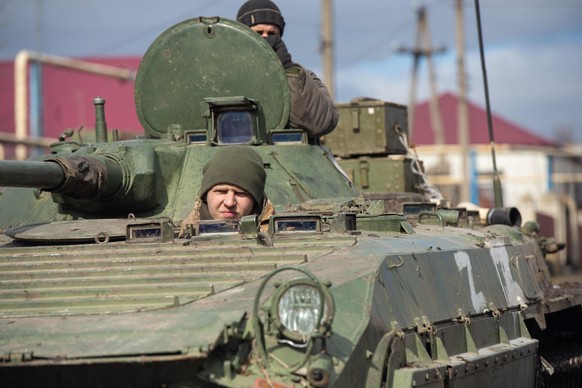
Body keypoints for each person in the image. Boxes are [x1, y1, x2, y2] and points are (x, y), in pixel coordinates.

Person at [236, 0, 339, 139]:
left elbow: (321, 123)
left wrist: (288, 70)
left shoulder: (302, 78)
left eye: (272, 33)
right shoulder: (224, 75)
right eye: (258, 33)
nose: (265, 38)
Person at [181, 146, 274, 233]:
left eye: (240, 193)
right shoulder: (182, 236)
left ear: (255, 200)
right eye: (221, 191)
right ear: (205, 195)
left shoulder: (280, 233)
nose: (229, 203)